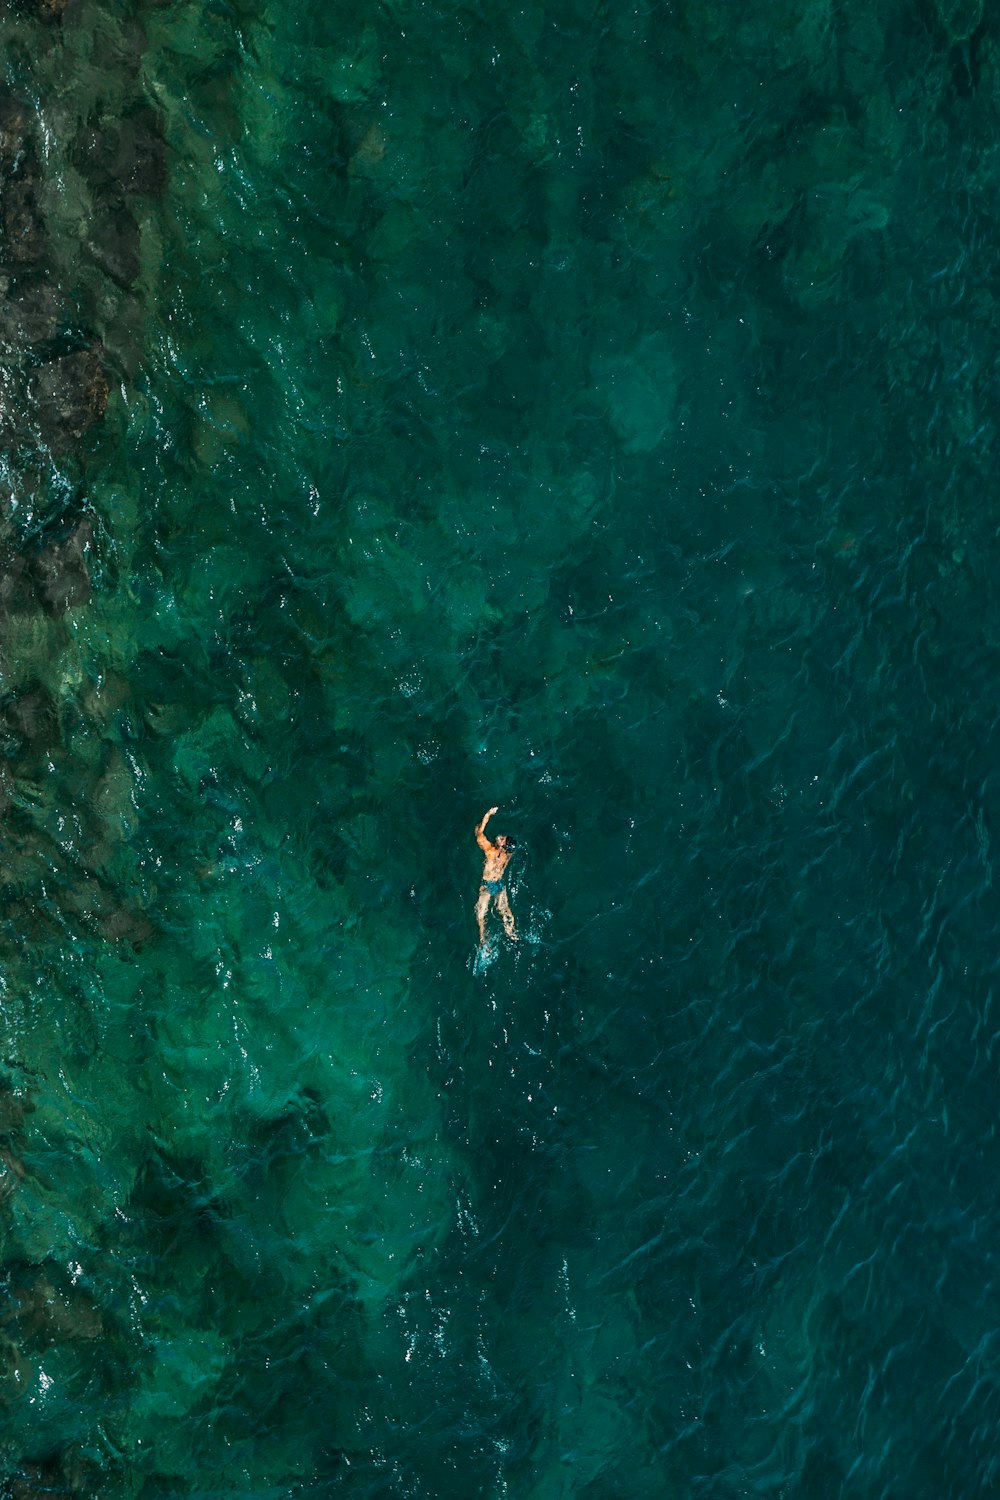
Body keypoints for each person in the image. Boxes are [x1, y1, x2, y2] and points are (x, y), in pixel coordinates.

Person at [475, 806, 517, 945]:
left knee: (481, 915)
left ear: (502, 846)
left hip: (487, 885)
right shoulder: (508, 855)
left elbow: (479, 834)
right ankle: (511, 932)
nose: (500, 837)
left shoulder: (491, 852)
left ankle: (483, 940)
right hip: (499, 884)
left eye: (502, 839)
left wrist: (487, 815)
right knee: (504, 910)